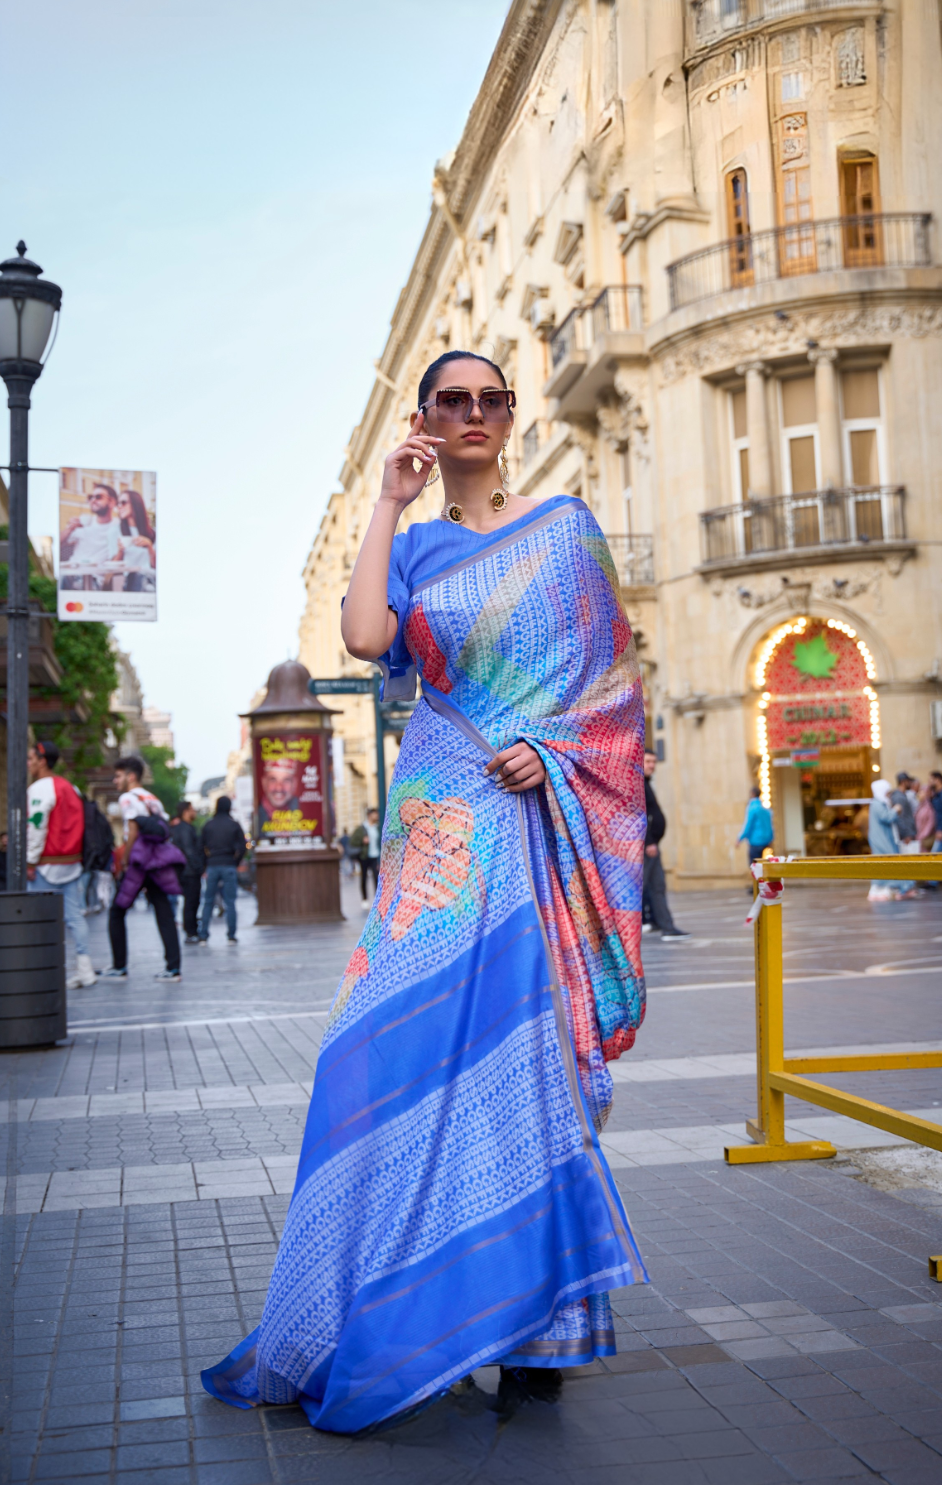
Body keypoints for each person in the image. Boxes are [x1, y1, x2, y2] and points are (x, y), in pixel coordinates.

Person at [204, 350, 648, 1431]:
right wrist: (388, 503)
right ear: (426, 419)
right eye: (454, 400)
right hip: (435, 817)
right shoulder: (413, 546)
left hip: (530, 818)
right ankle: (393, 1304)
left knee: (522, 1059)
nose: (476, 414)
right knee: (380, 1048)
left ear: (512, 416)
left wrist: (551, 752)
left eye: (493, 399)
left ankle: (534, 1334)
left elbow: (611, 690)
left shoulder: (565, 530)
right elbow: (364, 639)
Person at [100, 756, 185, 981]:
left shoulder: (128, 798)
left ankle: (119, 966)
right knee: (164, 912)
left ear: (131, 776)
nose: (114, 781)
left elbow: (133, 829)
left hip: (139, 862)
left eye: (118, 776)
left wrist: (125, 859)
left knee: (117, 911)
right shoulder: (152, 798)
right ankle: (173, 967)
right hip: (155, 862)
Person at [26, 741, 95, 988]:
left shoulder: (39, 789)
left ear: (42, 760)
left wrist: (30, 860)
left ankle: (43, 968)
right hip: (71, 861)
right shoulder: (71, 788)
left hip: (46, 863)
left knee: (39, 918)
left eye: (30, 758)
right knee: (74, 918)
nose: (28, 763)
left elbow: (36, 825)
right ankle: (85, 969)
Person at [642, 749, 688, 939]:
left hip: (652, 847)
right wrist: (649, 842)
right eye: (648, 761)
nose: (652, 765)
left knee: (657, 887)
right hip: (647, 847)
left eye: (654, 761)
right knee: (641, 888)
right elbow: (638, 815)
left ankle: (667, 927)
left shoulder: (646, 784)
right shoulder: (637, 784)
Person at [198, 796, 246, 942]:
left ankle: (204, 934)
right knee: (230, 902)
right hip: (229, 864)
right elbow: (243, 847)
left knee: (208, 901)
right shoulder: (234, 825)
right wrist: (235, 862)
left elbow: (200, 847)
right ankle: (231, 934)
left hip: (212, 865)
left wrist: (204, 865)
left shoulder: (208, 825)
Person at [59, 484, 121, 587]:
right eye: (90, 497)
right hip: (71, 574)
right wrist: (69, 529)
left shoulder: (118, 527)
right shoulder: (84, 522)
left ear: (112, 502)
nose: (93, 500)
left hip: (95, 580)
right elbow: (58, 544)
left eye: (98, 497)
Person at [867, 779, 916, 901]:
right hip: (881, 840)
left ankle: (898, 888)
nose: (888, 795)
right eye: (887, 792)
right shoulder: (877, 804)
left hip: (884, 838)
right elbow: (886, 817)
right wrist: (896, 810)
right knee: (889, 863)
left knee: (886, 863)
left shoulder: (880, 803)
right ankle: (896, 887)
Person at [170, 800, 205, 944]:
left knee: (190, 902)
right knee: (191, 902)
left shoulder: (180, 828)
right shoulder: (185, 829)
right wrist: (198, 867)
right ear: (186, 812)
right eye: (192, 809)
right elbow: (189, 850)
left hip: (184, 870)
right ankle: (191, 931)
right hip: (189, 872)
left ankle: (191, 930)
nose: (194, 812)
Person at [115, 488, 156, 592]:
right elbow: (112, 566)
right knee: (138, 578)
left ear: (135, 504)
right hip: (129, 580)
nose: (119, 506)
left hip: (151, 578)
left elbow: (156, 566)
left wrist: (150, 547)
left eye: (123, 502)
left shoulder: (153, 533)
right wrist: (121, 551)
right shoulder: (115, 531)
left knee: (148, 585)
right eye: (118, 503)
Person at [349, 807, 381, 905]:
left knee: (377, 878)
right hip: (364, 856)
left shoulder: (377, 827)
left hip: (375, 856)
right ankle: (365, 899)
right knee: (364, 878)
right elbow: (353, 841)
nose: (377, 816)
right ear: (369, 815)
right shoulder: (361, 828)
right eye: (375, 814)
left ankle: (377, 900)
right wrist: (362, 841)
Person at [737, 786, 774, 866]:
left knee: (754, 866)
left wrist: (740, 838)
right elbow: (770, 826)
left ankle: (758, 878)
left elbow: (748, 825)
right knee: (761, 865)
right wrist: (770, 838)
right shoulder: (766, 810)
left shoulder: (752, 808)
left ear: (752, 794)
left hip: (755, 842)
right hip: (766, 841)